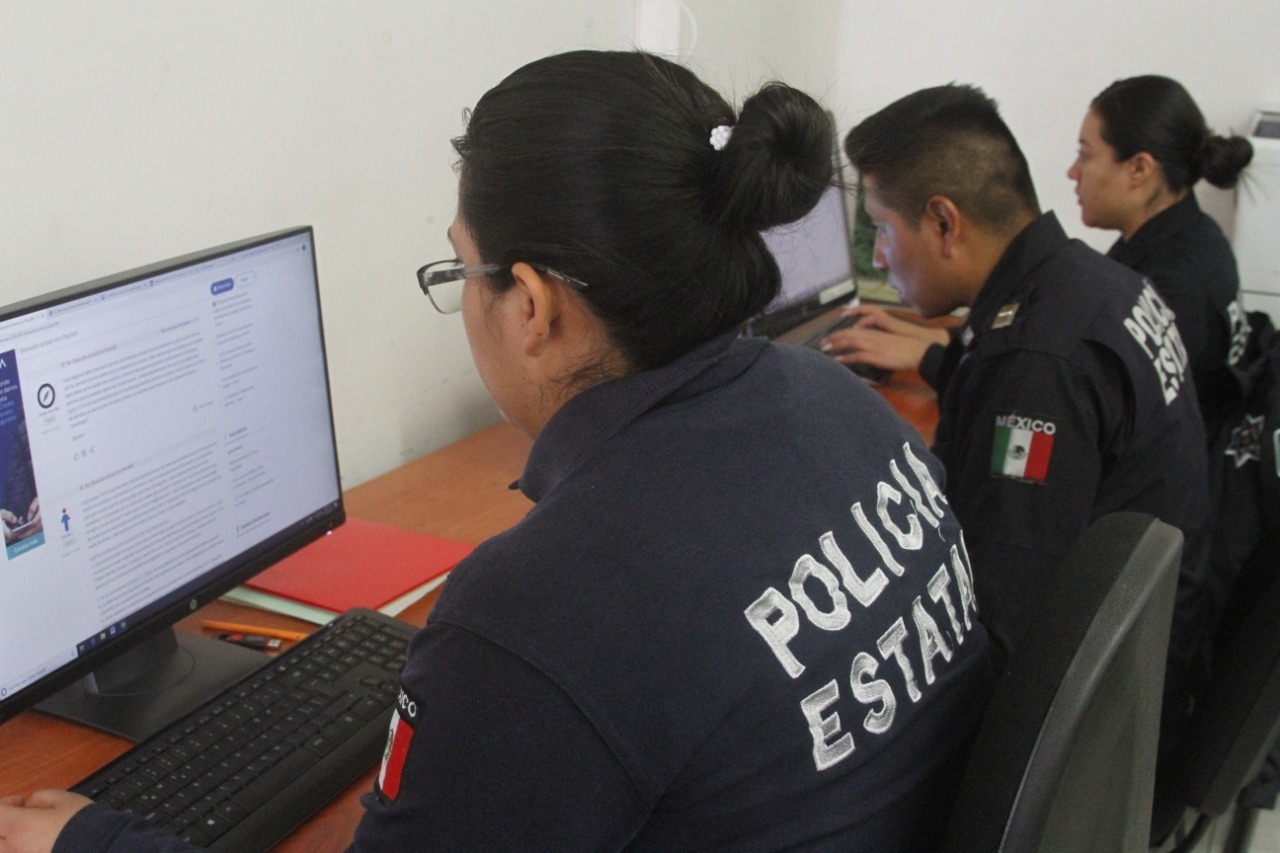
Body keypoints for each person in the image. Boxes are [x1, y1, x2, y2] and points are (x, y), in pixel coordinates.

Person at [0, 51, 993, 852]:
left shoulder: (542, 607)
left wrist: (94, 839)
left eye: (460, 267)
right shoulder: (842, 405)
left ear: (533, 305)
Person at [826, 84, 1211, 740]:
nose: (880, 256)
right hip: (1156, 647)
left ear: (944, 223)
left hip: (1105, 718)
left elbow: (1002, 627)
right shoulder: (1090, 281)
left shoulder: (1038, 363)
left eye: (883, 229)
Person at [1068, 74, 1254, 435]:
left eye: (1085, 155)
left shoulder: (1174, 285)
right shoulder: (1189, 233)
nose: (1072, 172)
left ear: (1139, 169)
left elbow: (1120, 421)